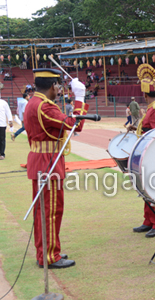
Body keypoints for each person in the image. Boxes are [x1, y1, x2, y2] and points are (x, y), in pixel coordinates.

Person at [25, 69, 88, 268]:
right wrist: (80, 98)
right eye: (58, 86)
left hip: (43, 160)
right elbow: (74, 125)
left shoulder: (33, 103)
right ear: (53, 86)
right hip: (48, 164)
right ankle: (50, 256)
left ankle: (46, 250)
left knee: (44, 211)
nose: (59, 89)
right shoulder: (44, 107)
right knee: (52, 211)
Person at [131, 64, 155, 238]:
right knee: (146, 190)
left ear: (145, 94)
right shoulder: (153, 108)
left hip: (154, 155)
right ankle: (148, 220)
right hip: (147, 155)